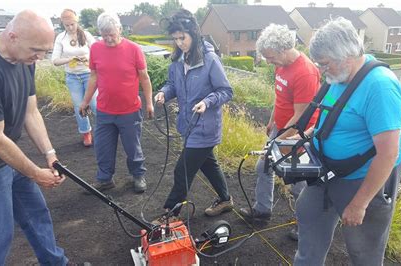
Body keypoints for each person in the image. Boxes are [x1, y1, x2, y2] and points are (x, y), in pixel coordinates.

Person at [294, 17, 401, 265]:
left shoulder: (380, 87)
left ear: (346, 56)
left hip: (362, 178)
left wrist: (359, 204)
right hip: (326, 172)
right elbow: (331, 120)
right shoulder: (339, 76)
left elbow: (387, 154)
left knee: (362, 248)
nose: (321, 71)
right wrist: (299, 138)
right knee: (308, 214)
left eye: (324, 64)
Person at [0, 10, 68, 265]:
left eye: (45, 51)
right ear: (12, 37)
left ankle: (56, 263)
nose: (40, 57)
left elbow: (30, 111)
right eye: (37, 49)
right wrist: (35, 172)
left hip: (10, 155)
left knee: (36, 214)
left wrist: (50, 154)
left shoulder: (26, 60)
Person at [238, 24, 320, 240]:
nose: (268, 61)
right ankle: (262, 210)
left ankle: (306, 226)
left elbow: (300, 119)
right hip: (281, 127)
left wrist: (275, 143)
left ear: (284, 49)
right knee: (264, 166)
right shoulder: (281, 65)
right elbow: (280, 96)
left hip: (297, 135)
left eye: (271, 57)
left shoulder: (306, 72)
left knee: (298, 183)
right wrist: (272, 120)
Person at [152, 9, 233, 224]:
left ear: (194, 34)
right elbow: (173, 85)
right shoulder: (178, 60)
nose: (179, 43)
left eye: (183, 37)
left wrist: (207, 102)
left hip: (205, 128)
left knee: (183, 171)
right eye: (175, 38)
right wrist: (163, 92)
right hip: (187, 125)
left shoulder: (210, 59)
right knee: (208, 164)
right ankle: (226, 199)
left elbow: (226, 91)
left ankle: (170, 214)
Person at [79, 12, 154, 193]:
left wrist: (149, 102)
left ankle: (138, 175)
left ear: (119, 30)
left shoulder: (134, 49)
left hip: (129, 110)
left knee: (132, 147)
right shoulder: (96, 48)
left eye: (112, 34)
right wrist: (85, 101)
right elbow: (94, 76)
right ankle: (105, 179)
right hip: (104, 110)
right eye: (105, 35)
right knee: (103, 147)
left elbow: (144, 77)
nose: (109, 39)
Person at [52, 9, 97, 147]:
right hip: (72, 77)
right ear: (63, 25)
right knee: (79, 107)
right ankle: (86, 133)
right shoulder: (60, 38)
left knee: (95, 104)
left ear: (76, 21)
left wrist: (87, 59)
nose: (70, 28)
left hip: (89, 75)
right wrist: (70, 59)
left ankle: (104, 131)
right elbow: (55, 60)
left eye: (72, 24)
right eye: (67, 25)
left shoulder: (86, 35)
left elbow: (97, 51)